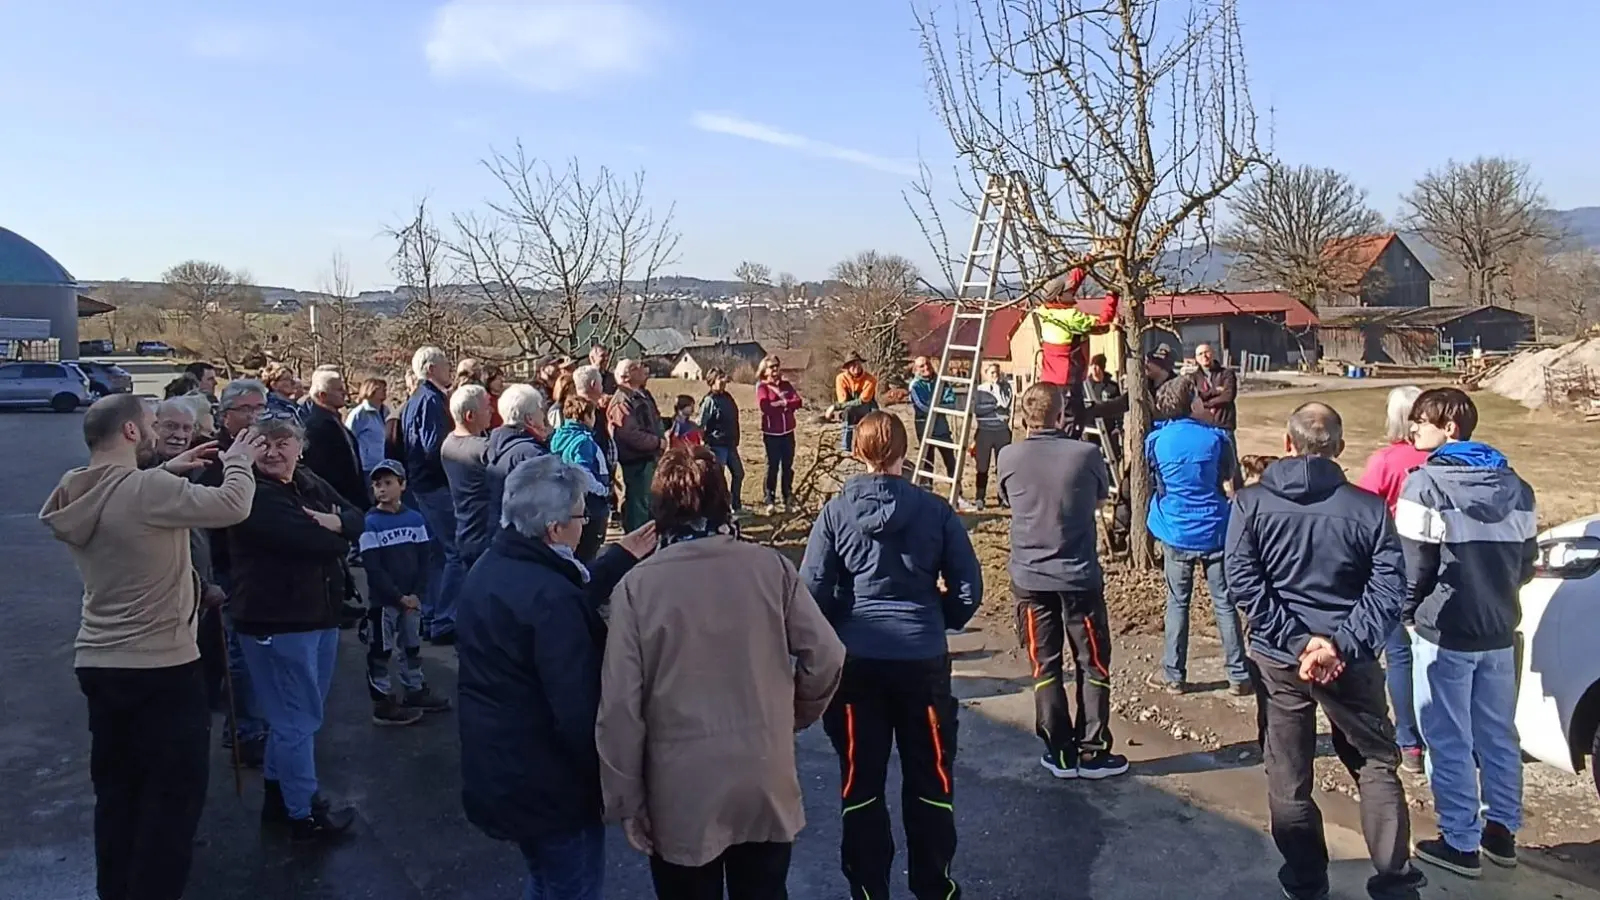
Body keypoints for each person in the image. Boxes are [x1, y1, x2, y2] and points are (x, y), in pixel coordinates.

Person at [40, 395, 263, 900]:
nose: (160, 435)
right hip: (162, 666)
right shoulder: (148, 489)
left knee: (118, 795)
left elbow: (132, 519)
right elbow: (233, 506)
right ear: (132, 433)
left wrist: (175, 473)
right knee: (171, 803)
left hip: (100, 661)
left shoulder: (76, 489)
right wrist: (239, 463)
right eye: (150, 426)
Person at [599, 446, 846, 899]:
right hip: (763, 772)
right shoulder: (770, 567)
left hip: (680, 788)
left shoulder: (637, 588)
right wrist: (792, 714)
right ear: (723, 499)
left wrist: (626, 800)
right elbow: (827, 654)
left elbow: (619, 708)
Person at [1225, 402, 1426, 900]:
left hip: (1282, 656)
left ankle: (1305, 879)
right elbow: (1388, 590)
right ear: (1338, 448)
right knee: (1376, 762)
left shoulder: (1250, 504)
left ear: (1287, 444)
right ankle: (1394, 878)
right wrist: (1335, 643)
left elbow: (1243, 584)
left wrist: (1301, 643)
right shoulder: (1366, 507)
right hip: (1345, 656)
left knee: (1289, 773)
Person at [800, 411, 983, 900]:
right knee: (931, 776)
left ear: (858, 452)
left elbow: (811, 591)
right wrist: (937, 616)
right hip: (921, 661)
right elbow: (969, 588)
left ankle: (867, 889)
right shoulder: (935, 510)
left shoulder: (837, 511)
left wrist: (845, 617)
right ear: (905, 452)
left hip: (858, 665)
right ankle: (934, 885)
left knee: (861, 782)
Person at [457, 455, 656, 900]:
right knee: (570, 887)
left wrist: (618, 558)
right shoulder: (551, 600)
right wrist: (615, 786)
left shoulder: (495, 565)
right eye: (581, 515)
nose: (586, 524)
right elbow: (578, 710)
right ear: (554, 528)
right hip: (551, 789)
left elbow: (557, 591)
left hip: (502, 770)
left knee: (546, 881)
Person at [1397, 388, 1537, 879]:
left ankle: (1460, 841)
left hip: (1445, 631)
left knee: (1447, 736)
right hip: (1499, 628)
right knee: (1498, 734)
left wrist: (1408, 614)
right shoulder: (1518, 487)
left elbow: (1413, 568)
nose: (1413, 429)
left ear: (1449, 427)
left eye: (1421, 421)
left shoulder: (1425, 486)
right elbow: (1526, 563)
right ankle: (1502, 830)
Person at [226, 412, 365, 841]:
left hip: (316, 616)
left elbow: (358, 513)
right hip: (278, 621)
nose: (273, 451)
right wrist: (335, 528)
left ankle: (278, 796)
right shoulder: (252, 493)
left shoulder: (305, 481)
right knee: (296, 720)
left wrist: (338, 522)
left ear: (300, 446)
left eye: (283, 442)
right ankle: (304, 812)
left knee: (297, 716)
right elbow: (317, 542)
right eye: (263, 443)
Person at [996, 384, 1125, 779]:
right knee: (1093, 663)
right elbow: (1100, 499)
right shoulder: (1086, 453)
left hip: (1031, 578)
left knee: (1045, 664)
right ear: (1061, 415)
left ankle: (1060, 750)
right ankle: (1093, 749)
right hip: (1077, 575)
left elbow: (1007, 501)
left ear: (1023, 417)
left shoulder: (1008, 456)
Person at [1146, 374, 1250, 696]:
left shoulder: (1156, 441)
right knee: (1224, 602)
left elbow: (1156, 479)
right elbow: (1227, 477)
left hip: (1176, 529)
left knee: (1177, 602)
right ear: (1189, 402)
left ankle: (1174, 675)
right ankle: (1238, 675)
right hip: (1214, 528)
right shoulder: (1217, 438)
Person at [1355, 385, 1430, 774]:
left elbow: (1363, 508)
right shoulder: (1442, 457)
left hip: (1398, 562)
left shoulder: (1385, 461)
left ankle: (1410, 742)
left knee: (1399, 655)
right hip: (1442, 563)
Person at [358, 460, 449, 726]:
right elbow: (373, 568)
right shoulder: (371, 523)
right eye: (377, 484)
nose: (382, 489)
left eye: (388, 483)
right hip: (385, 602)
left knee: (411, 645)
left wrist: (417, 594)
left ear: (403, 485)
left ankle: (414, 688)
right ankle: (382, 699)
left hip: (411, 600)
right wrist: (398, 596)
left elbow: (425, 559)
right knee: (380, 649)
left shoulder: (415, 519)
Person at [403, 346, 463, 643]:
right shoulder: (429, 400)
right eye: (444, 364)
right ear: (430, 369)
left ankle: (431, 614)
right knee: (453, 551)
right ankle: (444, 618)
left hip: (423, 484)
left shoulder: (419, 398)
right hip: (434, 485)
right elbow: (432, 447)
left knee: (437, 553)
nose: (449, 368)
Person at [485, 383, 553, 538]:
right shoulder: (532, 454)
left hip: (501, 534)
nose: (543, 415)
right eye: (540, 410)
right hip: (527, 537)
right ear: (529, 418)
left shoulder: (495, 445)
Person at [550, 395, 612, 561]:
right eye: (592, 416)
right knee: (588, 553)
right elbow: (583, 473)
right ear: (584, 417)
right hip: (590, 504)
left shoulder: (557, 437)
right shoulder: (583, 441)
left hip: (565, 501)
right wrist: (603, 489)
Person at [300, 369, 369, 511]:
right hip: (335, 505)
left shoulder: (335, 422)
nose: (344, 393)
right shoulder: (316, 427)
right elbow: (317, 472)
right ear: (322, 395)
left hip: (351, 502)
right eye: (339, 390)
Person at [442, 384, 494, 573]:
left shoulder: (448, 444)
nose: (491, 411)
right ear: (470, 416)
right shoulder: (482, 449)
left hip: (464, 528)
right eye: (486, 407)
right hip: (485, 532)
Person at [609, 358, 664, 532]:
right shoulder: (622, 400)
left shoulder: (639, 395)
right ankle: (637, 545)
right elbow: (630, 434)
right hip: (636, 462)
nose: (641, 369)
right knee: (638, 507)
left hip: (647, 459)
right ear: (625, 376)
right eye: (635, 368)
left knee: (647, 503)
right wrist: (657, 442)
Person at [754, 354, 801, 515]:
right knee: (772, 466)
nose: (775, 369)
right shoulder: (762, 387)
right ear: (765, 370)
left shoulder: (786, 385)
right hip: (771, 433)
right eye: (771, 367)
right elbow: (765, 407)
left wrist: (784, 403)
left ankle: (787, 496)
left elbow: (798, 401)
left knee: (787, 466)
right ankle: (769, 498)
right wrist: (784, 405)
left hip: (788, 432)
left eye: (776, 366)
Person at [1192, 343, 1241, 491]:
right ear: (1196, 358)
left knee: (1231, 463)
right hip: (1204, 426)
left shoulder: (1226, 373)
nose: (1204, 357)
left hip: (1224, 423)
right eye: (1200, 354)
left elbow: (1228, 396)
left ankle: (1239, 494)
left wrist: (1206, 402)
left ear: (1212, 354)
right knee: (1209, 460)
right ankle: (1215, 491)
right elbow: (1196, 398)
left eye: (1206, 352)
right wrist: (1215, 391)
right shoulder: (1194, 377)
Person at [698, 367, 746, 517]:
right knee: (719, 479)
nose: (724, 381)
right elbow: (700, 424)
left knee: (739, 473)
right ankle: (720, 509)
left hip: (730, 444)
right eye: (720, 378)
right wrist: (703, 444)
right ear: (712, 381)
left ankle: (736, 505)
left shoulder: (728, 397)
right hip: (717, 445)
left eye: (725, 378)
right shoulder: (709, 401)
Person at [908, 355, 958, 480]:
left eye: (927, 364)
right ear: (916, 369)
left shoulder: (942, 381)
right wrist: (939, 405)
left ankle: (957, 493)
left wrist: (934, 405)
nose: (926, 367)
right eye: (921, 366)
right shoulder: (915, 386)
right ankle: (927, 491)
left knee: (951, 462)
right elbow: (922, 406)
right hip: (925, 429)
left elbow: (951, 402)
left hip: (942, 428)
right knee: (927, 463)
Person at [972, 361, 1014, 509]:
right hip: (984, 431)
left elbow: (1005, 403)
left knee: (1002, 466)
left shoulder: (1006, 387)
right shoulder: (979, 390)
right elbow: (977, 409)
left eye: (997, 373)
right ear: (985, 374)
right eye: (992, 373)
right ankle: (980, 497)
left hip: (1001, 431)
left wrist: (997, 389)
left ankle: (1003, 497)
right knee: (982, 466)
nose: (995, 376)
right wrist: (994, 407)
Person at [834, 352, 878, 454]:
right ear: (847, 367)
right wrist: (840, 405)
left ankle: (873, 446)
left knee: (877, 419)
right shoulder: (841, 379)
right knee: (848, 412)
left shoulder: (870, 379)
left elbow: (864, 400)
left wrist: (835, 407)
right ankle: (845, 447)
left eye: (858, 363)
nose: (856, 367)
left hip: (868, 406)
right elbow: (843, 400)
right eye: (852, 364)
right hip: (850, 409)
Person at [345, 377, 390, 475]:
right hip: (367, 468)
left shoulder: (387, 412)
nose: (385, 390)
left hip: (385, 465)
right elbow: (348, 439)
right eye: (381, 388)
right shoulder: (359, 414)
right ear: (371, 389)